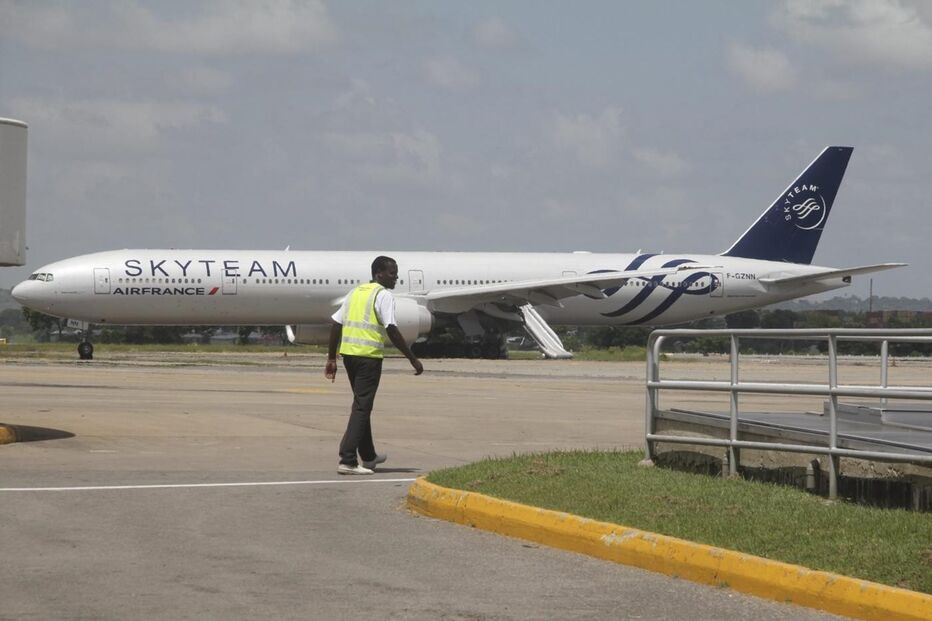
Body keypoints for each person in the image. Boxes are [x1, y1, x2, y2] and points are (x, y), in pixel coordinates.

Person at [325, 256, 423, 475]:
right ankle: (347, 459)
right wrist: (412, 358)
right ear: (379, 273)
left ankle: (368, 456)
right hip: (368, 358)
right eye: (392, 272)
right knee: (362, 406)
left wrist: (331, 358)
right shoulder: (383, 295)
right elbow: (392, 329)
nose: (396, 277)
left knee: (362, 404)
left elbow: (336, 324)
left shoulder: (356, 292)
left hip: (349, 356)